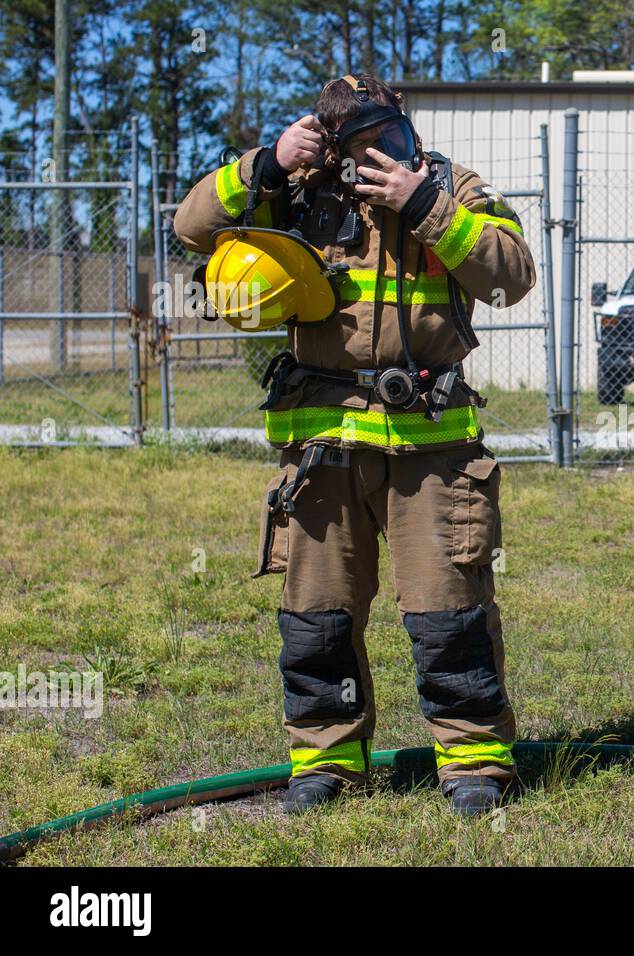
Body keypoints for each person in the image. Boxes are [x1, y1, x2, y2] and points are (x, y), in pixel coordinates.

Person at [174, 73, 535, 816]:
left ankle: (474, 765)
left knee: (449, 611)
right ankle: (327, 763)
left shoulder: (447, 187)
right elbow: (191, 227)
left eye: (382, 140)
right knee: (318, 613)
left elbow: (511, 276)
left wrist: (424, 205)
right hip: (321, 445)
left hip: (431, 447)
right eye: (348, 144)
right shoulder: (297, 192)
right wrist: (267, 163)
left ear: (403, 128)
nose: (367, 160)